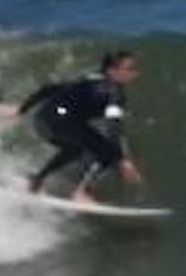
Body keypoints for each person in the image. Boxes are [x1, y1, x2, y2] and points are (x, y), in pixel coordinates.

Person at [15, 50, 145, 203]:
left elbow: (49, 89)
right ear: (112, 71)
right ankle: (81, 193)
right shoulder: (114, 92)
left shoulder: (88, 79)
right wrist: (123, 160)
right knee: (108, 153)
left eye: (136, 68)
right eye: (130, 69)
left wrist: (21, 110)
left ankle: (36, 180)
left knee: (76, 149)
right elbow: (113, 126)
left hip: (42, 121)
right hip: (61, 124)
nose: (136, 73)